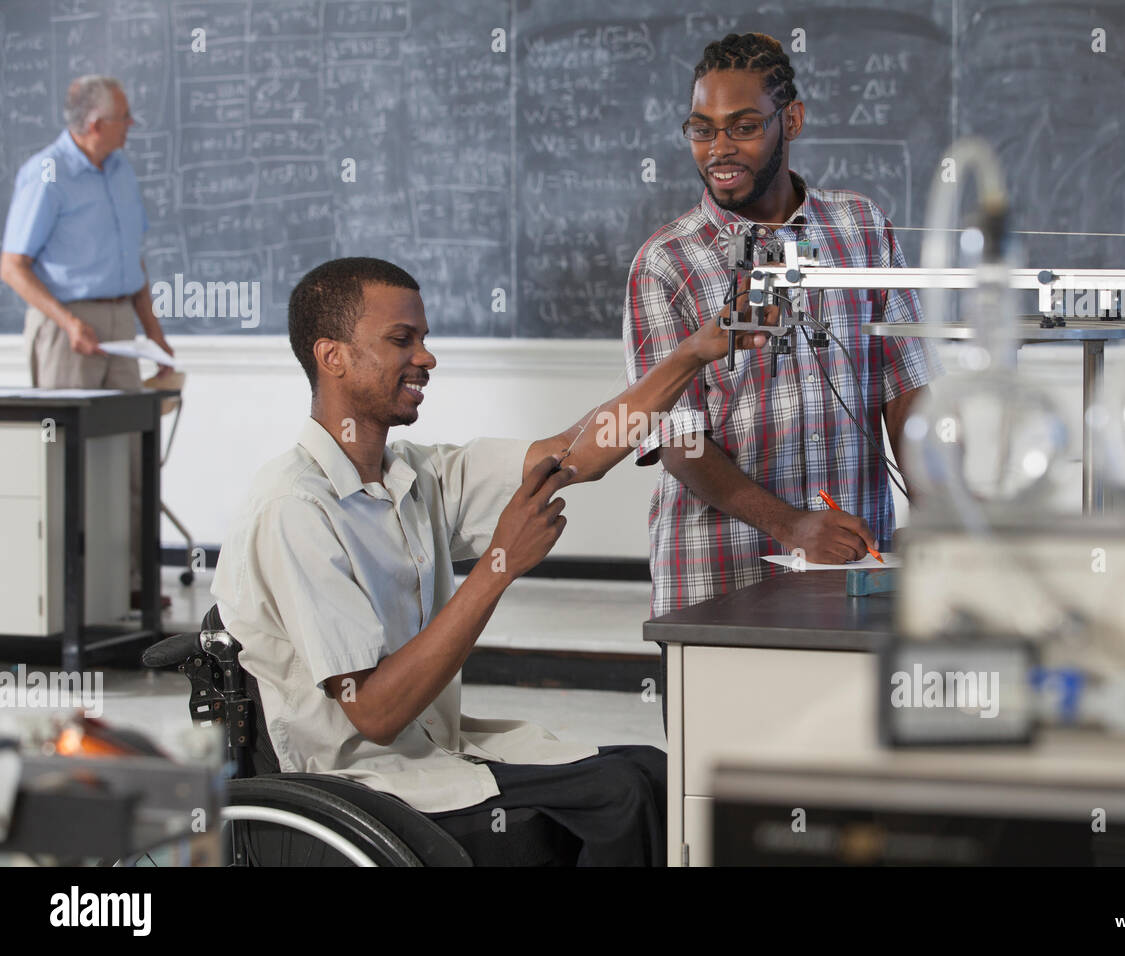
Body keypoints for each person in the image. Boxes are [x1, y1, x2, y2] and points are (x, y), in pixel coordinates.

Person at [210, 257, 771, 866]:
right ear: (332, 356)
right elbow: (374, 711)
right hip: (359, 786)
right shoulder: (294, 508)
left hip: (432, 754)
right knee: (623, 798)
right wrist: (500, 563)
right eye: (402, 341)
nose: (426, 357)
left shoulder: (413, 474)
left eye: (423, 339)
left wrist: (693, 354)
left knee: (654, 772)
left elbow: (573, 454)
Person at [623, 33, 936, 620]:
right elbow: (677, 438)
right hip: (716, 574)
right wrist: (792, 526)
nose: (719, 148)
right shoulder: (666, 261)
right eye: (702, 129)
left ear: (790, 120)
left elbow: (906, 391)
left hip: (853, 564)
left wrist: (941, 526)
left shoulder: (861, 227)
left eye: (743, 127)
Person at [0, 75, 174, 608]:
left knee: (133, 457)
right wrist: (68, 322)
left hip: (121, 323)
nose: (132, 127)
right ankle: (68, 591)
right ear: (97, 125)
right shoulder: (46, 175)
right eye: (125, 118)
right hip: (67, 329)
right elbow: (14, 266)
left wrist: (156, 337)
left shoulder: (120, 169)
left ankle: (134, 583)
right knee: (68, 462)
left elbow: (133, 260)